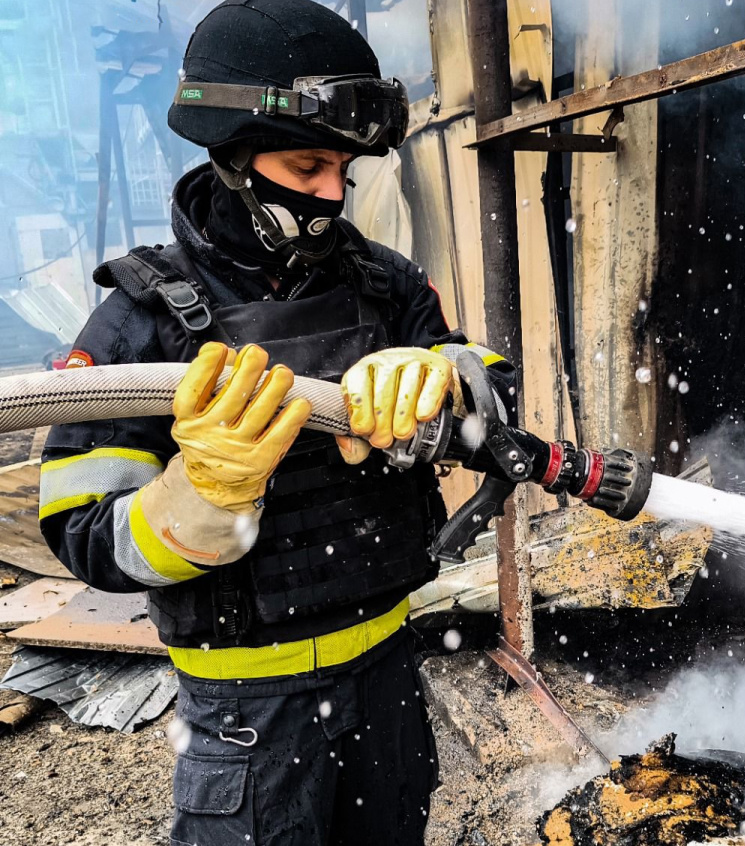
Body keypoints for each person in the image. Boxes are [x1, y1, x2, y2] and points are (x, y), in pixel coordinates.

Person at [37, 1, 514, 842]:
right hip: (249, 712)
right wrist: (196, 499)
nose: (332, 194)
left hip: (389, 676)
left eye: (343, 170)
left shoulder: (386, 285)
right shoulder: (138, 325)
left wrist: (447, 378)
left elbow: (497, 409)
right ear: (231, 155)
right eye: (306, 166)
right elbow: (81, 531)